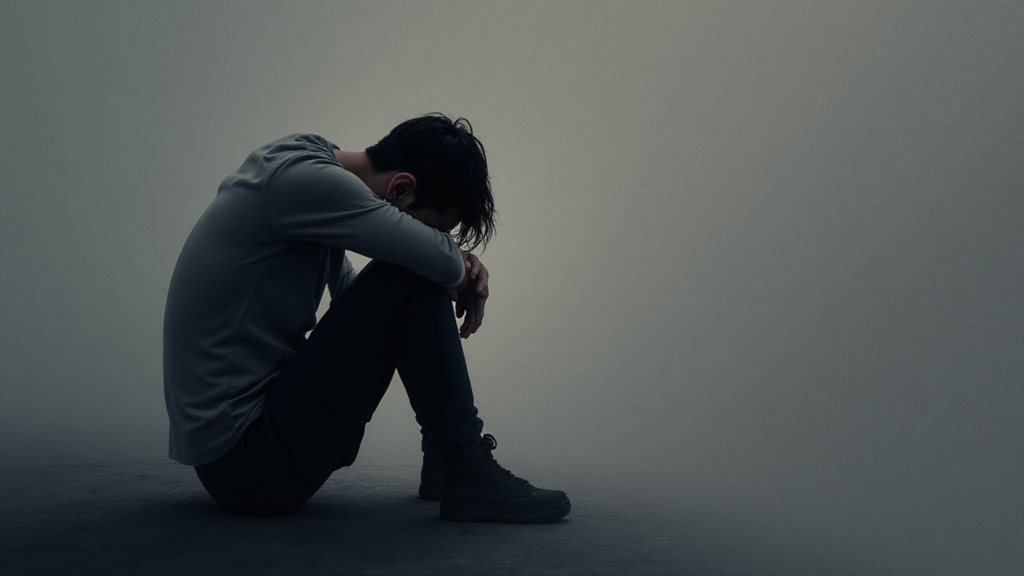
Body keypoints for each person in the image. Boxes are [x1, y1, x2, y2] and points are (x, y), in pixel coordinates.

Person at [162, 114, 570, 523]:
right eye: (428, 227)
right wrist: (457, 266)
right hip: (246, 464)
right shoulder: (303, 180)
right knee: (411, 275)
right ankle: (464, 465)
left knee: (413, 274)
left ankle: (448, 465)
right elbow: (420, 268)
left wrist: (445, 264)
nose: (428, 237)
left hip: (249, 446)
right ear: (402, 187)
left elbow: (355, 299)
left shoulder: (310, 168)